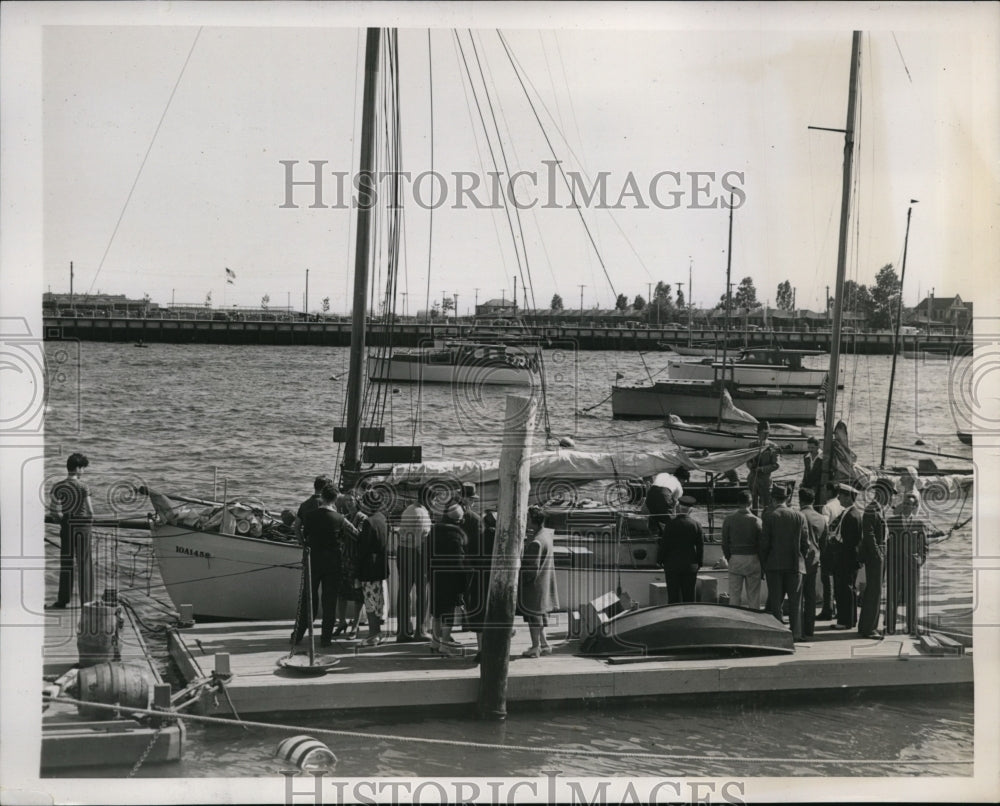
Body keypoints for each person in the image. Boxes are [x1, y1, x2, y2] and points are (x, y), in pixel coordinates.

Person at [292, 484, 358, 646]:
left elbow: (300, 530)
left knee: (308, 599)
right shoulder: (340, 519)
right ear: (335, 499)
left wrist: (303, 543)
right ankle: (325, 639)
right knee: (329, 601)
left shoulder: (309, 516)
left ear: (321, 496)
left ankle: (298, 635)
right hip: (333, 563)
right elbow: (356, 534)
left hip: (312, 560)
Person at [760, 485, 810, 640]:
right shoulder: (799, 516)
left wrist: (764, 564)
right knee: (796, 602)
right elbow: (805, 543)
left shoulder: (769, 516)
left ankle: (779, 633)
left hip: (774, 565)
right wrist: (802, 557)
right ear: (788, 498)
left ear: (773, 498)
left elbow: (764, 544)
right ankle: (796, 633)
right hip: (795, 564)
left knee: (776, 602)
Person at [48, 452, 95, 609]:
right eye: (83, 468)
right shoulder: (83, 487)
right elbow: (90, 510)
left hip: (67, 525)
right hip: (83, 526)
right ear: (78, 468)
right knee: (85, 562)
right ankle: (86, 601)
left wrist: (61, 520)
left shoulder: (58, 486)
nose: (84, 471)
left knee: (66, 563)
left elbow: (53, 510)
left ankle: (63, 600)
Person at [428, 503, 471, 656]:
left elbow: (426, 554)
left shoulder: (434, 530)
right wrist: (463, 583)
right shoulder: (457, 535)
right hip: (451, 579)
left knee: (437, 612)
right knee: (448, 612)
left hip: (435, 576)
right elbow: (459, 561)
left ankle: (434, 641)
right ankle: (445, 645)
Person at [885, 492, 930, 636]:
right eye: (904, 504)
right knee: (892, 596)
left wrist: (920, 559)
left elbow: (924, 546)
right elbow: (886, 542)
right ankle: (890, 627)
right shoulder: (891, 522)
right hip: (895, 564)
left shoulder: (919, 523)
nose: (906, 506)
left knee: (912, 597)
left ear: (914, 507)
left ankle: (911, 627)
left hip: (912, 565)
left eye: (909, 504)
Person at [457, 484, 491, 661]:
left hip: (459, 564)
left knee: (465, 600)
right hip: (475, 569)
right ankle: (482, 648)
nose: (473, 502)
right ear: (467, 499)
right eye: (472, 499)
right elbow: (481, 548)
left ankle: (464, 624)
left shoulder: (452, 516)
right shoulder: (476, 520)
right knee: (479, 606)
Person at [519, 506, 559, 658]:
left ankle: (535, 647)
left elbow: (530, 569)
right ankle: (544, 644)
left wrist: (518, 578)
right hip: (544, 583)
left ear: (532, 521)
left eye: (527, 519)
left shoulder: (536, 542)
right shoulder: (546, 535)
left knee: (533, 618)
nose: (526, 521)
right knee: (540, 616)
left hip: (534, 586)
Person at [396, 487, 432, 642]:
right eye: (434, 499)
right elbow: (420, 541)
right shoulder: (421, 513)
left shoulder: (409, 509)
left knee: (404, 591)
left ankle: (403, 631)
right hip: (416, 554)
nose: (435, 502)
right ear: (428, 498)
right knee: (422, 592)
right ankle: (421, 631)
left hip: (403, 551)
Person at [857, 480, 891, 639]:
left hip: (879, 553)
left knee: (874, 590)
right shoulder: (872, 509)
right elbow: (868, 534)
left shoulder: (878, 509)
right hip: (875, 555)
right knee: (874, 591)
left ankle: (866, 625)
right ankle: (869, 628)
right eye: (889, 493)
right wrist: (878, 553)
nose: (890, 497)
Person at [356, 489, 389, 646]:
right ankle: (377, 633)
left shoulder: (368, 522)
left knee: (370, 602)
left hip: (369, 567)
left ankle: (372, 635)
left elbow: (363, 549)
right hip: (380, 566)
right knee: (378, 601)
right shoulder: (382, 518)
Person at [656, 495, 704, 603]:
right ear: (690, 510)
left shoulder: (670, 524)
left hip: (672, 565)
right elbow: (700, 546)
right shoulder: (697, 525)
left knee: (673, 597)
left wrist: (659, 560)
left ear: (678, 507)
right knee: (689, 596)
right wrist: (699, 563)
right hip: (690, 565)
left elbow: (664, 545)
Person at [720, 490, 762, 610]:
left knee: (734, 595)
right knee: (754, 596)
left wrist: (729, 557)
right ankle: (754, 620)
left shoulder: (729, 520)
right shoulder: (757, 521)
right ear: (751, 503)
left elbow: (724, 543)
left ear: (738, 502)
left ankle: (735, 621)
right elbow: (761, 545)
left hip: (735, 557)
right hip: (753, 558)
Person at [830, 483, 863, 631]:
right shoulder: (850, 513)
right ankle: (849, 619)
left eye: (841, 497)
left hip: (846, 558)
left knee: (845, 589)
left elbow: (851, 541)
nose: (839, 500)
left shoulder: (852, 515)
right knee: (847, 589)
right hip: (847, 557)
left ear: (849, 497)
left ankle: (845, 620)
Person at [797, 488, 827, 638]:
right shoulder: (821, 518)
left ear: (799, 500)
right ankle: (809, 628)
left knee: (797, 595)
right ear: (814, 501)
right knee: (810, 596)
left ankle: (797, 628)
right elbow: (824, 542)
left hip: (799, 560)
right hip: (814, 560)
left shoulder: (798, 515)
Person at [817, 481, 843, 621]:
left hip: (828, 545)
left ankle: (828, 609)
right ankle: (837, 608)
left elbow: (824, 526)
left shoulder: (827, 507)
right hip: (839, 545)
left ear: (828, 491)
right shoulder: (840, 506)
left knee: (826, 578)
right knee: (838, 578)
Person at [746, 422, 780, 512]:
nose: (766, 435)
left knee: (767, 506)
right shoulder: (751, 445)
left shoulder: (773, 446)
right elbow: (747, 460)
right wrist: (750, 466)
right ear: (758, 433)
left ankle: (766, 524)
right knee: (753, 505)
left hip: (765, 481)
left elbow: (776, 465)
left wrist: (762, 469)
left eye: (767, 433)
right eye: (763, 433)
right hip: (752, 479)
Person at [294, 475, 333, 543]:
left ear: (314, 487)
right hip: (325, 545)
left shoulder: (304, 505)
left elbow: (297, 527)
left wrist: (302, 543)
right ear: (325, 489)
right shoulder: (329, 505)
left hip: (309, 542)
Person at [645, 471, 683, 535]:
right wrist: (673, 515)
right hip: (664, 496)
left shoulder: (663, 474)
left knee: (654, 514)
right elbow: (675, 501)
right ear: (682, 479)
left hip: (650, 495)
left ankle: (654, 532)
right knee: (668, 520)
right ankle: (668, 535)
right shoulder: (678, 484)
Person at [801, 437, 823, 502]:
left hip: (819, 486)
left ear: (818, 446)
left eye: (812, 448)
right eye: (809, 447)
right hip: (808, 485)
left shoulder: (823, 457)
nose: (810, 450)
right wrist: (803, 482)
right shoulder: (806, 456)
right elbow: (806, 471)